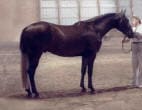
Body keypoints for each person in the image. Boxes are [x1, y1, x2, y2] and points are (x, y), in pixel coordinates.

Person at [131, 16, 142, 87]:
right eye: (132, 20)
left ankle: (140, 82)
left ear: (138, 20)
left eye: (134, 20)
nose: (132, 21)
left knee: (141, 64)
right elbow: (130, 38)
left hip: (141, 45)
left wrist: (134, 34)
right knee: (134, 64)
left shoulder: (141, 27)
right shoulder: (132, 28)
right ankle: (135, 82)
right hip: (133, 46)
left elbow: (140, 36)